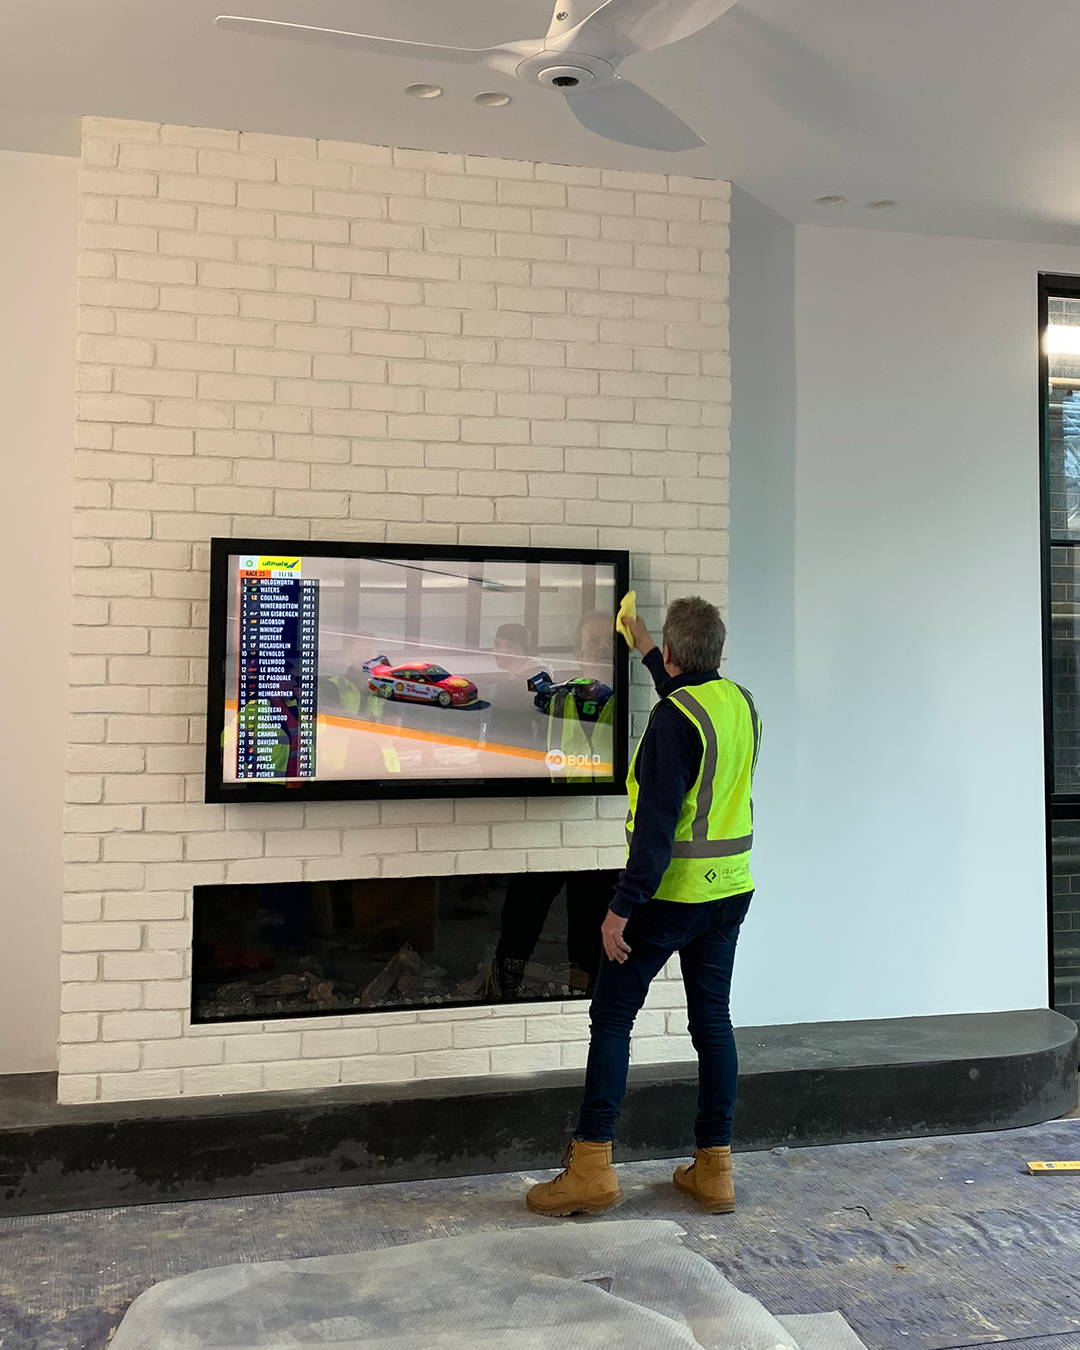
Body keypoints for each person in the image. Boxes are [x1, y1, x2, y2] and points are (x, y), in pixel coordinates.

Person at [525, 596, 761, 1219]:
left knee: (611, 1016)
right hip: (729, 890)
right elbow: (687, 696)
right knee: (712, 1024)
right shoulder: (737, 703)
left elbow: (655, 833)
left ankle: (592, 1167)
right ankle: (714, 1170)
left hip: (667, 897)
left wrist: (618, 911)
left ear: (680, 655)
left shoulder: (671, 721)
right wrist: (644, 645)